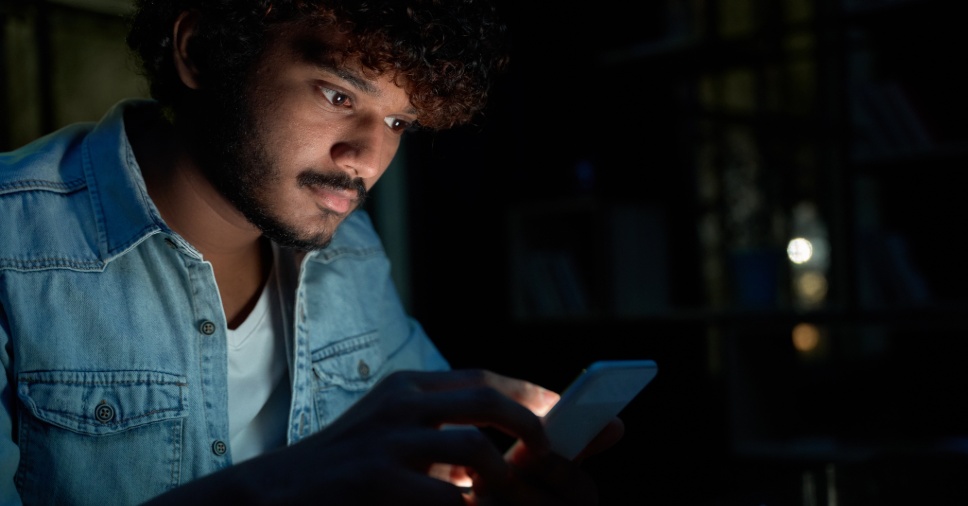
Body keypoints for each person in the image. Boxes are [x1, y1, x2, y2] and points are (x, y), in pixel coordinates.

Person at [0, 0, 623, 504]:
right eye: (338, 97)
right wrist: (285, 485)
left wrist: (494, 478)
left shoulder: (347, 244)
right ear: (199, 50)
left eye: (399, 123)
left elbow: (428, 445)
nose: (369, 161)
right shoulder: (12, 240)